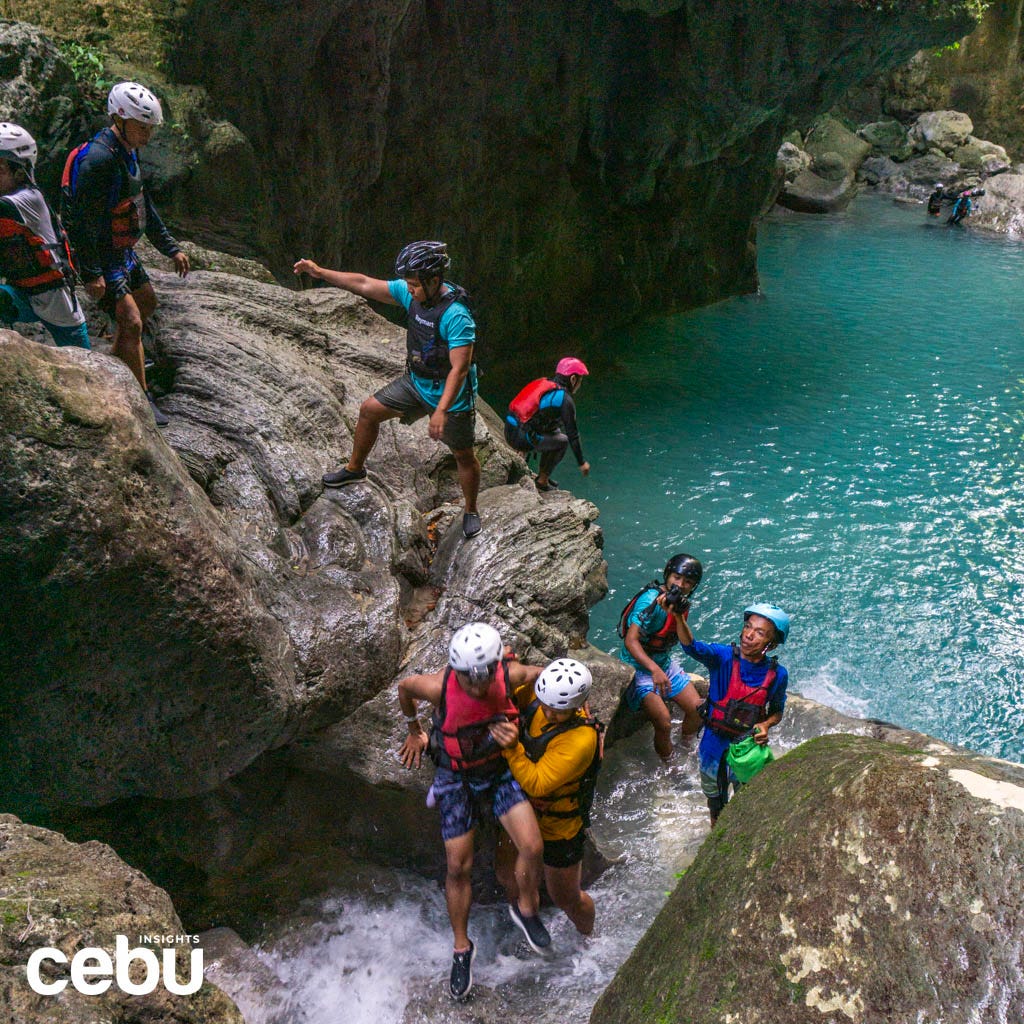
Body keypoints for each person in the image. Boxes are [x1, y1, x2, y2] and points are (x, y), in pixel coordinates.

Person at [397, 622, 551, 1001]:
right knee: (457, 867)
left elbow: (542, 675)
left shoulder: (510, 675)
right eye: (470, 678)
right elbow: (404, 688)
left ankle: (526, 910)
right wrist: (414, 729)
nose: (478, 685)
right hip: (456, 776)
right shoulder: (437, 687)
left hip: (498, 770)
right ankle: (462, 948)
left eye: (483, 676)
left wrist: (577, 709)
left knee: (532, 846)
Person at [293, 241, 483, 538]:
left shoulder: (456, 315)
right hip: (417, 382)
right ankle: (355, 468)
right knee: (369, 411)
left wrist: (441, 411)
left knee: (463, 455)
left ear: (434, 281)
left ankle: (471, 509)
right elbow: (364, 283)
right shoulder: (415, 295)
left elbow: (459, 370)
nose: (408, 290)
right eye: (407, 284)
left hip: (451, 397)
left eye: (413, 285)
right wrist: (320, 272)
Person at [62, 82, 190, 426]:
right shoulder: (99, 160)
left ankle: (114, 367)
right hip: (103, 254)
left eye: (150, 128)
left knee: (147, 302)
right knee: (132, 322)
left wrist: (170, 247)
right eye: (142, 127)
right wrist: (91, 273)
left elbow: (141, 201)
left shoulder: (128, 150)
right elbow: (84, 223)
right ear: (119, 118)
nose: (147, 135)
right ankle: (141, 397)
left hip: (123, 251)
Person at [490, 657, 602, 936]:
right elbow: (505, 688)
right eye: (547, 705)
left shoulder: (581, 740)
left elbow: (537, 782)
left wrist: (511, 746)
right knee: (506, 874)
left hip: (559, 827)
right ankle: (523, 921)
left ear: (576, 707)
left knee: (566, 897)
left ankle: (588, 936)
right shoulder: (536, 696)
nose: (550, 713)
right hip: (522, 809)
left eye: (559, 711)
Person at [677, 602, 791, 826]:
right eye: (748, 627)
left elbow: (777, 710)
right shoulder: (723, 657)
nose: (749, 635)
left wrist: (766, 725)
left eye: (759, 633)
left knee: (748, 804)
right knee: (717, 806)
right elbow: (691, 647)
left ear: (772, 644)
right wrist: (679, 618)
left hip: (748, 750)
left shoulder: (777, 675)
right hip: (713, 746)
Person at [0, 123, 90, 350]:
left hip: (55, 298)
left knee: (84, 362)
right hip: (22, 293)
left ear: (19, 172)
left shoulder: (29, 199)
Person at [617, 553, 706, 761]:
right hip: (638, 667)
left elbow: (687, 642)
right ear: (668, 575)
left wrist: (677, 615)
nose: (681, 585)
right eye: (676, 578)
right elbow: (631, 641)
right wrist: (654, 671)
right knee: (664, 722)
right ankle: (670, 764)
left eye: (688, 582)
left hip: (664, 662)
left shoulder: (681, 605)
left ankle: (686, 747)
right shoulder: (649, 601)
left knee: (697, 709)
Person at [504, 357, 591, 491]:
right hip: (520, 438)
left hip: (510, 428)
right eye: (580, 380)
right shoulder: (565, 400)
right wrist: (582, 463)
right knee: (563, 441)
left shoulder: (543, 383)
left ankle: (525, 456)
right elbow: (573, 435)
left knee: (555, 431)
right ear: (573, 379)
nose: (579, 385)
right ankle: (542, 480)